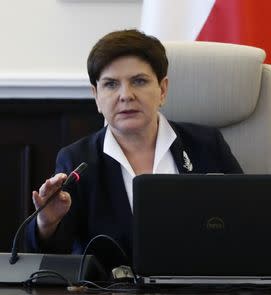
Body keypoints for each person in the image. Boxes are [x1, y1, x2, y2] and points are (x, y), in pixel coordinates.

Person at [25, 29, 243, 260]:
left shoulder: (207, 145)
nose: (126, 95)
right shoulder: (77, 160)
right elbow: (52, 258)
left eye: (139, 81)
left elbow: (245, 223)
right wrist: (47, 222)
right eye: (110, 84)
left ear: (163, 90)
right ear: (96, 97)